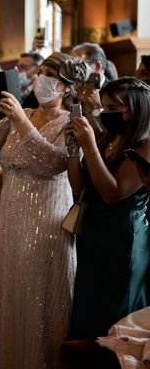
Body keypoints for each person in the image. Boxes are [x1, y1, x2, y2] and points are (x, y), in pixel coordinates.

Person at [0, 52, 89, 368]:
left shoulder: (71, 122)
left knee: (43, 303)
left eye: (48, 75)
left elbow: (53, 163)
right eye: (38, 73)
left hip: (47, 224)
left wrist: (20, 121)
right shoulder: (28, 113)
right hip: (10, 222)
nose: (38, 80)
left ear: (64, 87)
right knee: (15, 299)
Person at [67, 77, 150, 340]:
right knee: (89, 305)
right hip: (95, 233)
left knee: (115, 310)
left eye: (114, 109)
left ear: (136, 110)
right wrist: (72, 150)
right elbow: (81, 187)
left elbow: (113, 193)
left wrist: (90, 146)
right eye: (103, 108)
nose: (106, 114)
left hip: (123, 238)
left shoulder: (146, 145)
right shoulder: (110, 139)